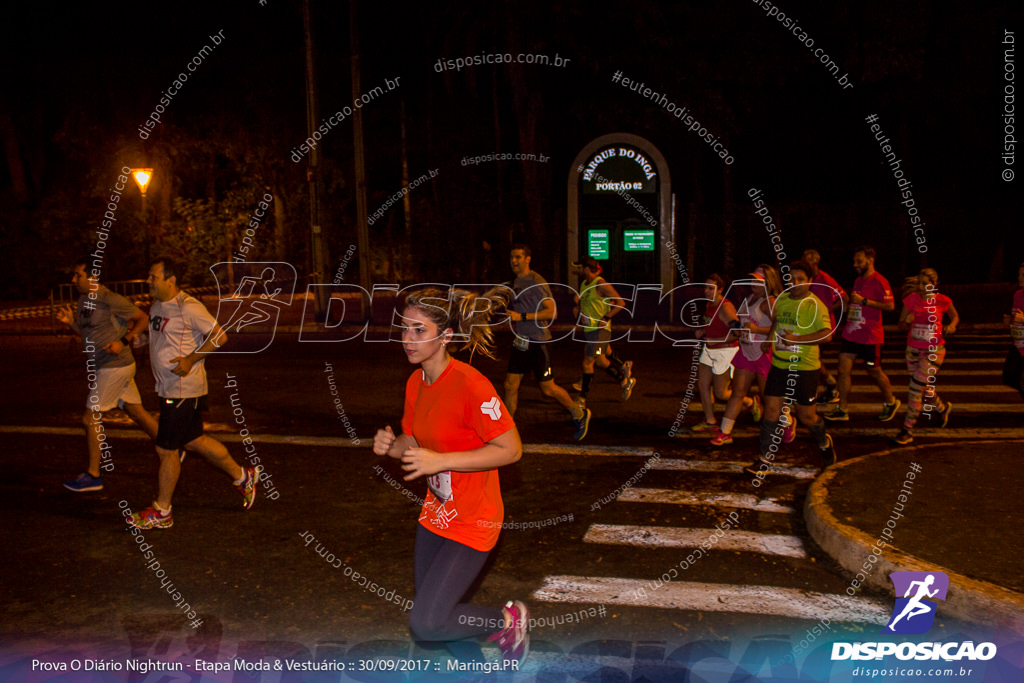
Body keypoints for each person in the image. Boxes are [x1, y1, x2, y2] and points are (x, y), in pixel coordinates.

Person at [373, 287, 528, 665]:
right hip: (437, 514)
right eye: (405, 329)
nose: (407, 339)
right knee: (437, 617)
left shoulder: (471, 385)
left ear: (446, 336)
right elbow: (413, 440)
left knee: (426, 623)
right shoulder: (416, 382)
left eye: (419, 330)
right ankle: (475, 667)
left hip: (475, 517)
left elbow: (511, 449)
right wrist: (390, 445)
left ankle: (508, 621)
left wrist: (440, 461)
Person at [127, 257, 261, 529]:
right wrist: (142, 341)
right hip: (169, 387)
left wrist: (191, 358)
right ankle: (243, 476)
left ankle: (162, 511)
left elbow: (219, 336)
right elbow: (162, 337)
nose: (148, 281)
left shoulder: (189, 307)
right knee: (195, 441)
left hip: (183, 390)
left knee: (166, 450)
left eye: (153, 277)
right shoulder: (156, 305)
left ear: (170, 280)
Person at [58, 255, 159, 492]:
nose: (74, 279)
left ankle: (93, 475)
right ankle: (172, 447)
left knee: (89, 417)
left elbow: (142, 319)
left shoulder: (109, 299)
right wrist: (71, 322)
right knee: (138, 413)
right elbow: (88, 334)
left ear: (93, 278)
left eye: (78, 275)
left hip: (114, 365)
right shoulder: (84, 300)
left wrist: (123, 341)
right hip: (109, 366)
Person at [744, 260, 837, 477]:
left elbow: (827, 335)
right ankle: (763, 460)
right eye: (791, 278)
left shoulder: (814, 305)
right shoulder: (784, 299)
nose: (794, 283)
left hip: (804, 368)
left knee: (806, 417)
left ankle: (824, 442)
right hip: (779, 363)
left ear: (810, 282)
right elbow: (777, 321)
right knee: (771, 412)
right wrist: (769, 338)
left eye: (800, 279)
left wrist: (798, 339)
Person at [503, 244, 591, 440]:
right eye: (511, 257)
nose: (514, 261)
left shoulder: (536, 281)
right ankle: (507, 431)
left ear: (528, 259)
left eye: (518, 257)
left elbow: (552, 312)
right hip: (522, 341)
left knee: (548, 388)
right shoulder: (517, 281)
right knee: (510, 385)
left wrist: (522, 317)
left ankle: (579, 413)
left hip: (538, 341)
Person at [823, 246, 900, 422]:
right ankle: (842, 408)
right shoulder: (858, 281)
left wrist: (865, 301)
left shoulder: (880, 281)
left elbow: (890, 306)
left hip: (870, 336)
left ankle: (891, 401)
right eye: (854, 261)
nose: (855, 264)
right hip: (851, 334)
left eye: (858, 261)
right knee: (843, 370)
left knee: (874, 370)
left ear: (870, 260)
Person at [710, 265, 783, 446]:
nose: (753, 283)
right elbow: (742, 324)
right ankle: (725, 432)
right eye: (752, 279)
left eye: (758, 281)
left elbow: (780, 327)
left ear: (768, 282)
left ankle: (785, 425)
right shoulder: (749, 299)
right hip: (746, 352)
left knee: (770, 398)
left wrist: (757, 329)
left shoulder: (770, 302)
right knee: (737, 393)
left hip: (763, 354)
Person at [892, 269, 959, 445]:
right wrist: (906, 322)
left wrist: (952, 326)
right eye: (919, 283)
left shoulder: (942, 301)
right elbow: (900, 325)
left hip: (934, 350)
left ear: (935, 284)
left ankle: (907, 430)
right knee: (923, 386)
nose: (922, 287)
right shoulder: (911, 299)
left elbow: (955, 317)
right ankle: (942, 409)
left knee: (914, 389)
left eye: (926, 283)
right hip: (912, 350)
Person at [571, 257, 636, 402]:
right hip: (590, 330)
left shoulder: (601, 284)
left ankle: (581, 399)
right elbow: (585, 301)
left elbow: (620, 302)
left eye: (579, 268)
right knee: (601, 360)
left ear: (587, 269)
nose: (578, 271)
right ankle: (624, 379)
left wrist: (606, 317)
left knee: (588, 361)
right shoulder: (584, 283)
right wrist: (578, 308)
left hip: (600, 331)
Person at [691, 274, 739, 432]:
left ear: (720, 290)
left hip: (725, 351)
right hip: (709, 349)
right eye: (705, 287)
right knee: (703, 384)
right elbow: (708, 321)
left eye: (711, 288)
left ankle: (749, 402)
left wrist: (717, 340)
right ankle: (710, 421)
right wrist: (702, 330)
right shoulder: (710, 304)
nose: (706, 291)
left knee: (721, 393)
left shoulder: (726, 308)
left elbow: (737, 332)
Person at [803, 249, 846, 404]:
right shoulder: (807, 279)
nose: (804, 264)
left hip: (822, 326)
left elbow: (843, 298)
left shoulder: (825, 279)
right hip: (809, 325)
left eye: (807, 261)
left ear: (815, 262)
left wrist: (826, 310)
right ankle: (830, 384)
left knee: (811, 358)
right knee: (813, 358)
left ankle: (824, 388)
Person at [1003, 262, 1024, 400]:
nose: (1019, 277)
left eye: (1023, 275)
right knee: (1009, 377)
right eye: (1019, 274)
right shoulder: (1018, 295)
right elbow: (1016, 317)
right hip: (1018, 344)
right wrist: (1010, 321)